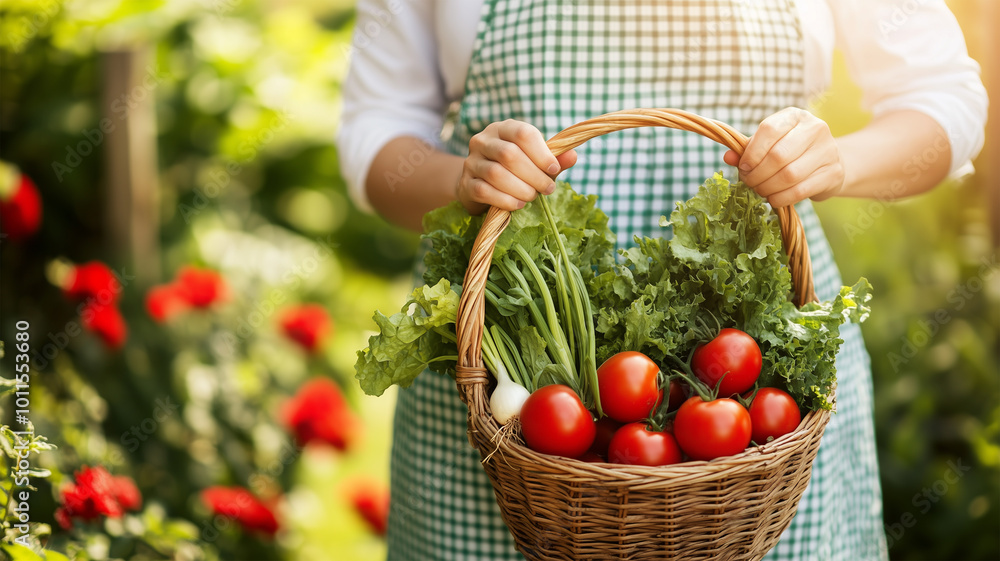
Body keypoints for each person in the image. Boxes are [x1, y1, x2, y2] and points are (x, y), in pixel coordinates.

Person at [337, 0, 988, 559]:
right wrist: (460, 180)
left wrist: (838, 160)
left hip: (758, 398)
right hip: (509, 384)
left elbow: (944, 104)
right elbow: (377, 131)